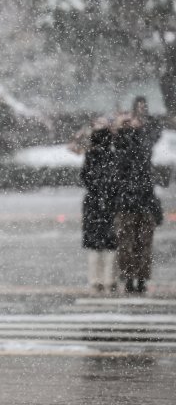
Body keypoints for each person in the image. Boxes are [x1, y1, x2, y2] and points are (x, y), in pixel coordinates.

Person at [113, 112, 162, 294]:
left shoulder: (144, 141)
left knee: (143, 245)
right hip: (127, 203)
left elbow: (154, 134)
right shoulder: (120, 142)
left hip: (144, 201)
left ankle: (140, 279)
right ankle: (128, 278)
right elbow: (120, 163)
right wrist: (122, 129)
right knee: (127, 244)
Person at [79, 118, 117, 293]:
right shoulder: (112, 156)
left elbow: (85, 178)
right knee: (110, 243)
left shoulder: (91, 156)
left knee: (95, 244)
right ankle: (109, 279)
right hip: (109, 203)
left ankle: (95, 280)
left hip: (93, 204)